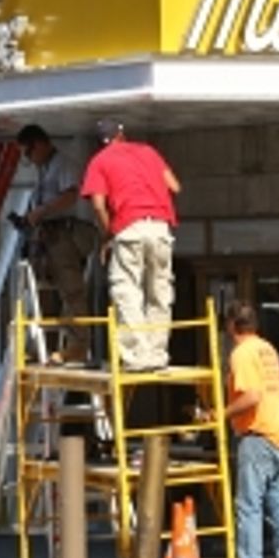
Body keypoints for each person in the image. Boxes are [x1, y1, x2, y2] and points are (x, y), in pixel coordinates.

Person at [81, 122, 180, 372]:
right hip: (160, 226)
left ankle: (138, 354)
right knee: (160, 290)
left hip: (128, 227)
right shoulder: (148, 151)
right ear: (121, 135)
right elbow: (174, 186)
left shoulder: (99, 161)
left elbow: (98, 205)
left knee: (126, 289)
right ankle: (157, 353)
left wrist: (109, 233)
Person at [222, 303, 279, 558]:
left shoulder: (241, 354)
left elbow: (252, 396)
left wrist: (222, 413)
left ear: (232, 325)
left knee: (248, 505)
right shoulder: (267, 348)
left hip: (258, 434)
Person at [16, 124, 95, 362]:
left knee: (72, 290)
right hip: (50, 235)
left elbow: (71, 195)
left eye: (29, 153)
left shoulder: (63, 164)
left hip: (66, 233)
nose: (29, 159)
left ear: (39, 144)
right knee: (51, 290)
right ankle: (42, 345)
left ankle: (78, 345)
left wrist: (43, 211)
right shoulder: (46, 168)